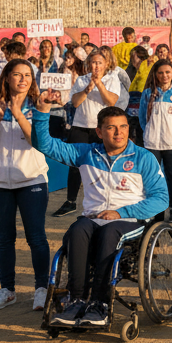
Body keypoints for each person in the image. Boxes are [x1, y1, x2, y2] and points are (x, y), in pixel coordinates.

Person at [31, 100, 167, 329]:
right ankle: (76, 300)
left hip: (129, 220)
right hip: (92, 218)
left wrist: (121, 212)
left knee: (110, 233)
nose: (119, 133)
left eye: (123, 127)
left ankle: (100, 304)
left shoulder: (143, 158)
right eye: (111, 128)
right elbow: (44, 145)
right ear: (99, 132)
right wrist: (42, 112)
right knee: (77, 230)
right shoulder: (86, 153)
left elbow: (161, 198)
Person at [0, 59, 50, 312]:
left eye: (27, 75)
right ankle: (7, 290)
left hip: (32, 180)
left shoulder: (39, 104)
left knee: (36, 238)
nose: (23, 79)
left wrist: (18, 113)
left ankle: (42, 289)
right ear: (7, 77)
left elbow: (38, 142)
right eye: (17, 74)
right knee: (4, 240)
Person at [51, 51, 121, 218]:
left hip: (101, 129)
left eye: (99, 63)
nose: (96, 66)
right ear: (89, 64)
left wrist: (99, 84)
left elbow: (111, 101)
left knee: (103, 164)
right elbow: (75, 102)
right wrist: (88, 87)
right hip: (80, 127)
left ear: (106, 64)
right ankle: (71, 201)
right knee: (75, 166)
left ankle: (105, 202)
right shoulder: (82, 80)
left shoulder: (112, 79)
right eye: (93, 62)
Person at [137, 59, 172, 223]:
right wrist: (149, 131)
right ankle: (155, 208)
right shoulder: (148, 94)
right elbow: (142, 119)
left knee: (171, 175)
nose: (164, 75)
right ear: (155, 74)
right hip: (152, 142)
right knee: (153, 175)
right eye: (160, 72)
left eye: (167, 72)